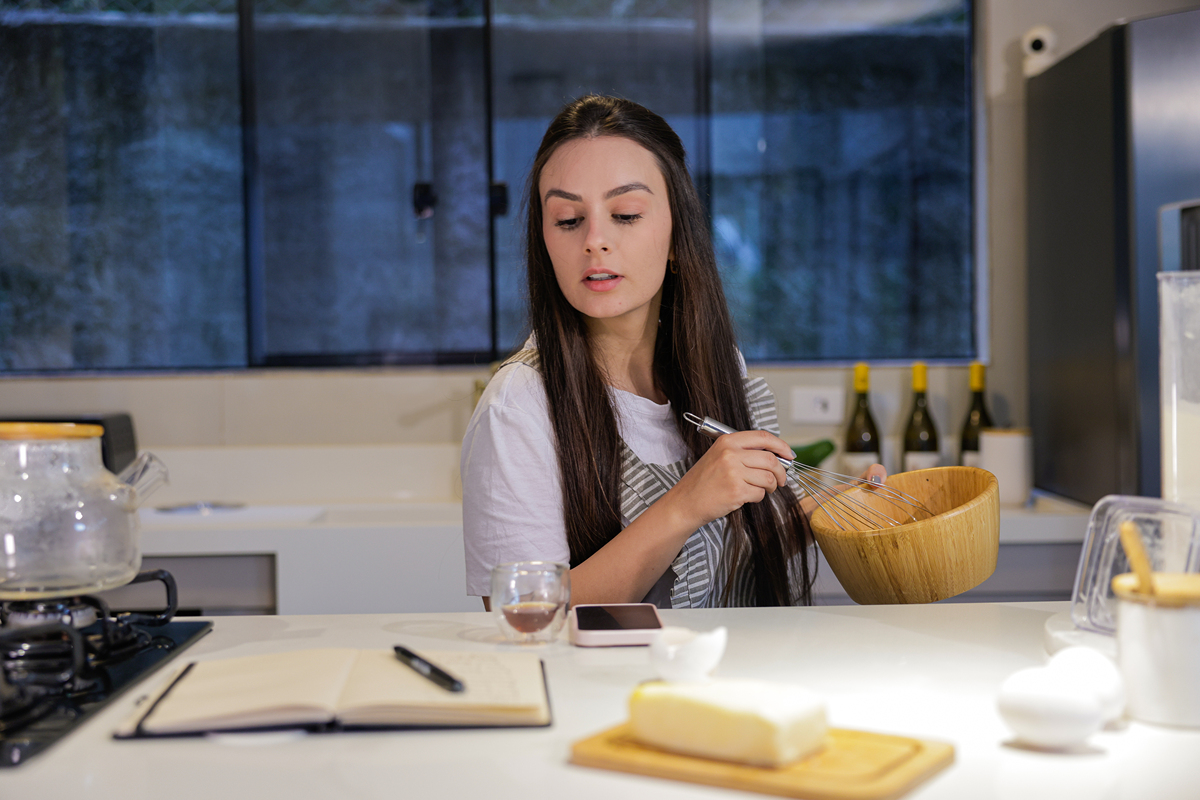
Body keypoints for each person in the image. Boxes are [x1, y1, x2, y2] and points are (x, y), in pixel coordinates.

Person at [461, 94, 883, 610]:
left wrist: (826, 512)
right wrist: (684, 505)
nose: (595, 240)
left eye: (625, 214)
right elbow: (524, 614)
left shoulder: (717, 366)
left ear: (678, 234)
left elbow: (727, 564)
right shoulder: (519, 405)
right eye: (568, 219)